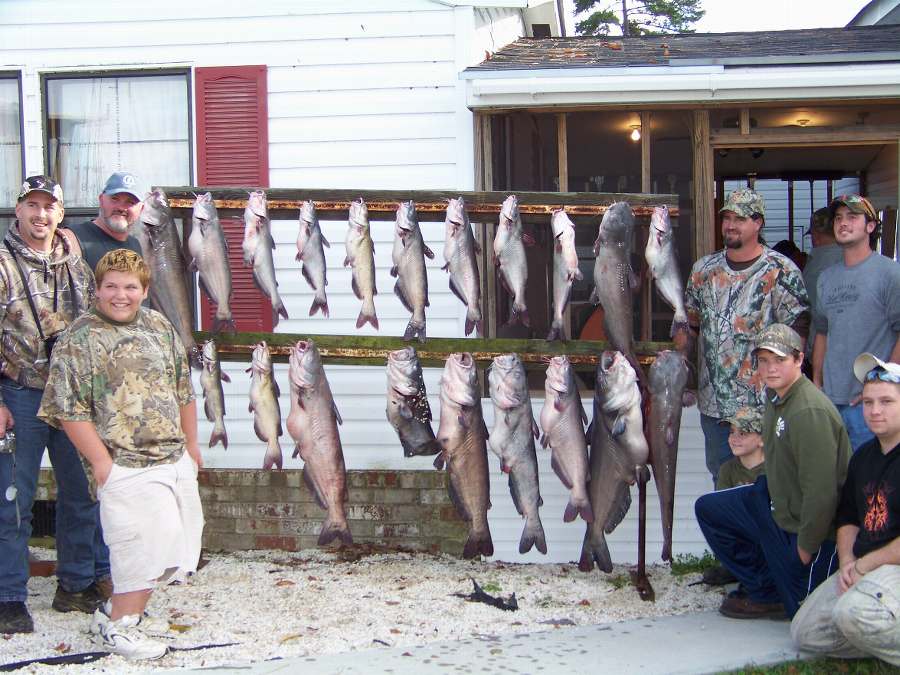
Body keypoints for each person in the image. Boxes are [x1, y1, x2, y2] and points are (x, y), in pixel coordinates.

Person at [38, 249, 204, 660]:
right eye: (110, 286)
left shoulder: (159, 326)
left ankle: (116, 611)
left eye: (130, 287)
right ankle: (120, 628)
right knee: (138, 551)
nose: (120, 295)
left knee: (174, 549)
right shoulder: (80, 338)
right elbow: (68, 409)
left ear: (145, 291)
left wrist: (192, 447)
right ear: (96, 290)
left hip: (173, 458)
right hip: (124, 464)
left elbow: (183, 389)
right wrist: (102, 464)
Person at [0, 176, 107, 634]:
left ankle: (76, 583)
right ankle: (9, 595)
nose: (40, 215)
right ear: (17, 211)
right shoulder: (2, 265)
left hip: (71, 400)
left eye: (49, 207)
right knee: (13, 500)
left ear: (60, 214)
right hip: (19, 394)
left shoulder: (78, 266)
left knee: (82, 493)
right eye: (32, 205)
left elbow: (95, 331)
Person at [695, 324, 850, 619]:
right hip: (776, 507)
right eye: (764, 361)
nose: (771, 368)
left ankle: (787, 584)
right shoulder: (776, 398)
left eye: (779, 360)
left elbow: (822, 492)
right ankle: (765, 588)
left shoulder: (808, 411)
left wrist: (804, 549)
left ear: (799, 359)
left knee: (803, 616)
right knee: (711, 509)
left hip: (809, 529)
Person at [685, 188, 810, 482]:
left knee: (772, 483)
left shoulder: (781, 270)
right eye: (727, 217)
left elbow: (798, 329)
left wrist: (790, 386)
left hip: (764, 403)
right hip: (716, 407)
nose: (730, 224)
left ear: (758, 223)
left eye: (739, 218)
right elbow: (690, 325)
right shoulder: (703, 270)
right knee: (723, 480)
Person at [791, 353, 900, 666]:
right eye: (868, 402)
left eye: (886, 401)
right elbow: (849, 517)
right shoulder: (864, 456)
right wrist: (848, 560)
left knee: (851, 613)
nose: (875, 411)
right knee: (806, 631)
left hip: (892, 566)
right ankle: (877, 637)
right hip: (866, 564)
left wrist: (866, 565)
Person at [812, 194, 900, 451]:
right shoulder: (826, 278)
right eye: (838, 218)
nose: (843, 223)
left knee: (872, 483)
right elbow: (822, 332)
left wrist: (882, 384)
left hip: (869, 404)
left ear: (870, 227)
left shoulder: (890, 273)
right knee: (835, 483)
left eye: (852, 217)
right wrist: (817, 383)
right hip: (830, 402)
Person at [702, 405, 767, 587]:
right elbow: (722, 510)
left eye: (743, 434)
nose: (734, 439)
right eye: (732, 432)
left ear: (761, 440)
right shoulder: (727, 470)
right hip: (741, 532)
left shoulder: (774, 468)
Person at [64, 171, 145, 271]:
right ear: (101, 200)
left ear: (141, 209)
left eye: (130, 202)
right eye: (115, 199)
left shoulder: (136, 245)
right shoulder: (72, 239)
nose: (121, 207)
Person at [802, 207, 842, 363]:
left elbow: (809, 309)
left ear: (816, 236)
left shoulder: (816, 266)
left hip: (821, 351)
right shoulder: (850, 258)